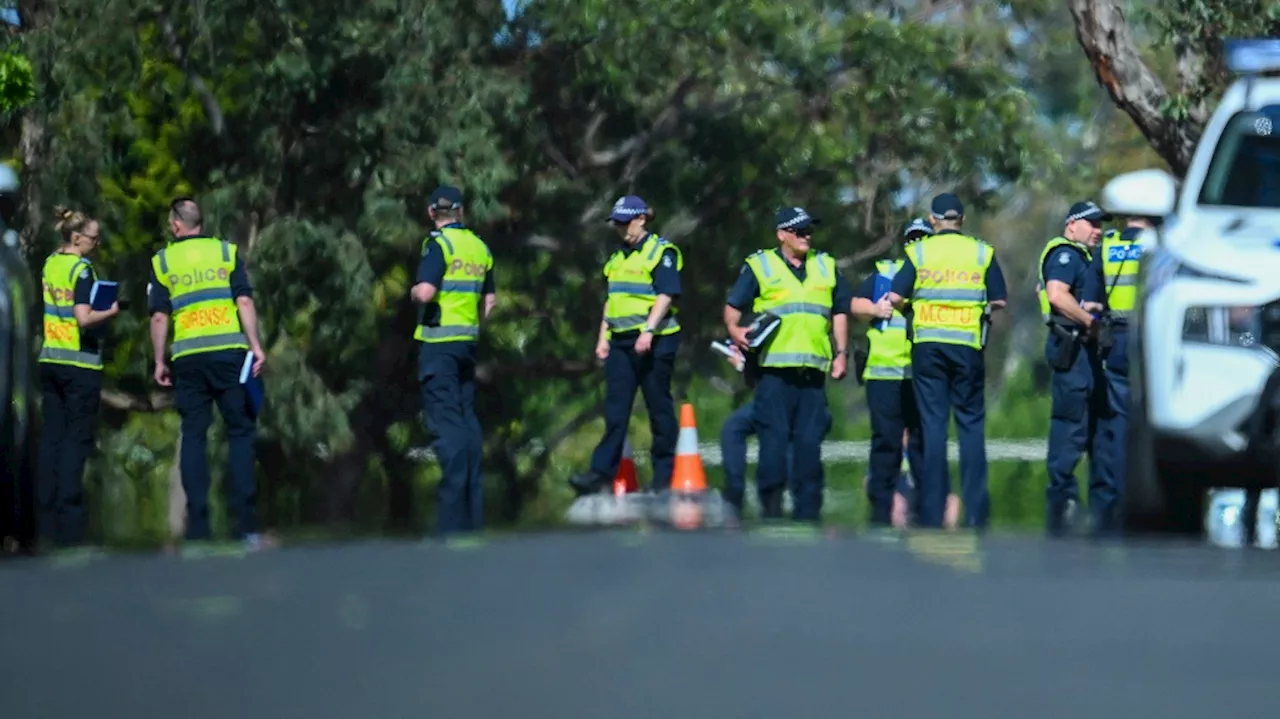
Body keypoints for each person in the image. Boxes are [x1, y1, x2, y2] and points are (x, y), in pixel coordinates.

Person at [148, 198, 268, 548]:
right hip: (229, 355)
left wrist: (159, 360)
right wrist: (255, 345)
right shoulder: (226, 252)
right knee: (241, 433)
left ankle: (198, 524)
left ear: (175, 225)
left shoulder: (164, 260)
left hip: (188, 358)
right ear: (200, 222)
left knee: (194, 435)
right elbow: (244, 301)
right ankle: (244, 523)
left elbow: (159, 315)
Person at [887, 193, 1007, 530]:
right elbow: (999, 299)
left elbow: (895, 296)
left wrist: (912, 310)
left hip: (928, 348)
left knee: (933, 428)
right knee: (971, 428)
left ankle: (932, 510)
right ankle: (975, 512)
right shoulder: (982, 252)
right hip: (968, 347)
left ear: (932, 220)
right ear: (963, 221)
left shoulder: (919, 251)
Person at [724, 206, 850, 521]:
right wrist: (734, 330)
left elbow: (839, 310)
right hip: (774, 375)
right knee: (773, 447)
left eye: (809, 230)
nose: (807, 236)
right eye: (799, 231)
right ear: (782, 234)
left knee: (809, 448)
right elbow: (733, 306)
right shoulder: (760, 265)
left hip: (812, 375)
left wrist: (842, 352)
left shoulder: (826, 265)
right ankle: (771, 510)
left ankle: (808, 512)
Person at [571, 196, 681, 496]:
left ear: (642, 219)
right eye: (616, 224)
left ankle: (664, 476)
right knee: (615, 410)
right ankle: (599, 474)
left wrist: (648, 330)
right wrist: (602, 337)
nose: (620, 229)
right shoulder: (617, 258)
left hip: (656, 341)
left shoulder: (662, 253)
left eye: (625, 223)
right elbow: (613, 300)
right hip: (621, 342)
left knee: (659, 407)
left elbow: (666, 294)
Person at [411, 186, 496, 535]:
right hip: (466, 344)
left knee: (447, 427)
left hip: (438, 346)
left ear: (433, 213)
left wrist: (415, 292)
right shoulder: (479, 247)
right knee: (467, 422)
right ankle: (472, 516)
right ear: (460, 211)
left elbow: (427, 292)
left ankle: (450, 522)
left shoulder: (438, 245)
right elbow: (490, 302)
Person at [34, 208, 118, 548]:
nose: (97, 244)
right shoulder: (82, 270)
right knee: (75, 439)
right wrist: (111, 310)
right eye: (93, 238)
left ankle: (45, 510)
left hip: (51, 358)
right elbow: (83, 318)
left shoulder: (51, 264)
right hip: (79, 364)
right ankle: (71, 513)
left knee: (51, 436)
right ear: (76, 237)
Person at [1038, 200, 1111, 536]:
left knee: (1094, 434)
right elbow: (1056, 295)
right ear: (1071, 225)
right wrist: (1090, 323)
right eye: (1091, 224)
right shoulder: (1065, 255)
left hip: (1087, 358)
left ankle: (1096, 511)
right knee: (1069, 433)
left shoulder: (1086, 257)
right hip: (1073, 353)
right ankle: (1063, 509)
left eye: (1101, 225)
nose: (1098, 231)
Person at [851, 217, 927, 528]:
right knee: (886, 441)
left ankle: (925, 505)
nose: (917, 244)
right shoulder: (885, 274)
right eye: (912, 239)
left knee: (923, 441)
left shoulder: (937, 276)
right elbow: (854, 304)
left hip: (920, 374)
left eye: (923, 238)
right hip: (884, 374)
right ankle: (880, 509)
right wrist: (875, 310)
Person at [1090, 212, 1153, 536]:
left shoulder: (1108, 246)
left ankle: (1114, 507)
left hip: (1116, 340)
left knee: (1116, 425)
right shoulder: (1161, 245)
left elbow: (1092, 301)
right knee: (1149, 426)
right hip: (1151, 342)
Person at [717, 340, 827, 516]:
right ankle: (735, 491)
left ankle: (795, 500)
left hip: (797, 398)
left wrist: (746, 366)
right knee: (733, 428)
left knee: (788, 439)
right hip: (767, 400)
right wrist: (744, 364)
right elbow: (758, 381)